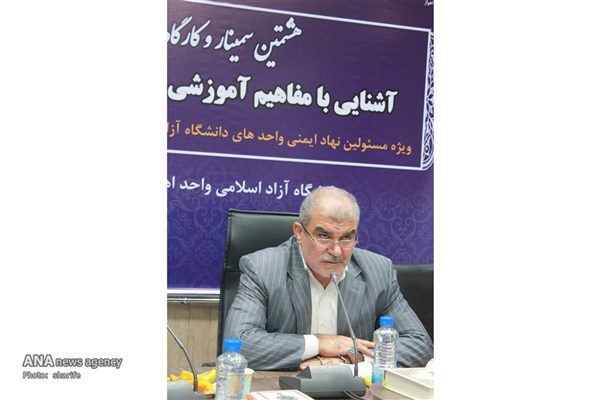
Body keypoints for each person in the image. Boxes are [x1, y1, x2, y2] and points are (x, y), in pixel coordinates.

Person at [223, 186, 433, 370]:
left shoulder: (379, 272)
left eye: (347, 238)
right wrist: (320, 343)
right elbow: (239, 344)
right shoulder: (262, 268)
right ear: (299, 233)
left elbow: (420, 345)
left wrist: (348, 360)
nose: (337, 251)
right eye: (324, 236)